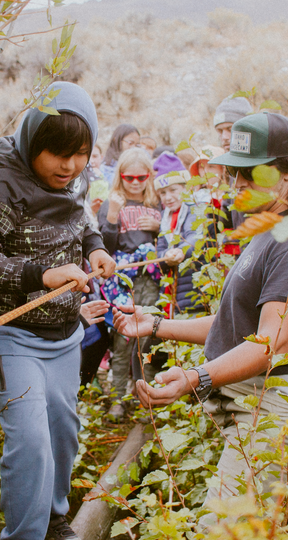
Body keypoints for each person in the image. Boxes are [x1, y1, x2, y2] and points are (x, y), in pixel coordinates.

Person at [114, 112, 288, 510]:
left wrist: (195, 377)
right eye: (236, 173)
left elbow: (271, 343)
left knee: (222, 539)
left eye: (254, 173)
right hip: (251, 406)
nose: (240, 183)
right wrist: (158, 325)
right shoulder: (268, 232)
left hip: (275, 411)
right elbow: (238, 324)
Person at [0, 81, 116, 540]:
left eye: (79, 155)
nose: (68, 167)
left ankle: (53, 522)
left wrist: (95, 247)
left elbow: (81, 218)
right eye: (57, 154)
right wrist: (40, 275)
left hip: (64, 333)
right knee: (30, 440)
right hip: (10, 333)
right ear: (31, 143)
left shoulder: (73, 177)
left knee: (64, 431)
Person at [98, 148, 163, 421]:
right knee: (122, 339)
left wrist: (159, 228)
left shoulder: (156, 203)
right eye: (129, 177)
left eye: (141, 177)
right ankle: (117, 400)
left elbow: (172, 241)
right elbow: (104, 246)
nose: (135, 182)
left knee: (147, 338)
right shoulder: (111, 203)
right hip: (122, 281)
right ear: (120, 177)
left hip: (150, 280)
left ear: (149, 176)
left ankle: (146, 398)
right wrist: (113, 215)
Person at [153, 153, 203, 316]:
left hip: (195, 293)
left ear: (187, 188)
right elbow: (159, 250)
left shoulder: (195, 209)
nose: (168, 197)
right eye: (163, 193)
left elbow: (194, 236)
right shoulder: (165, 218)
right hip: (173, 294)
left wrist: (181, 251)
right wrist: (165, 255)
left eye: (173, 190)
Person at [212, 97, 254, 257]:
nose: (224, 136)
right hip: (242, 254)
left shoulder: (261, 167)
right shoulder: (232, 170)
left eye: (230, 129)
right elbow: (228, 217)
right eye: (220, 130)